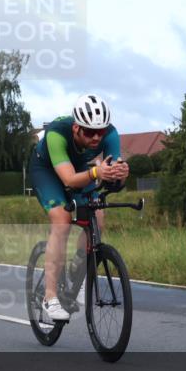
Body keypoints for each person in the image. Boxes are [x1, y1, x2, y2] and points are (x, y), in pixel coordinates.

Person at [27, 94, 130, 321]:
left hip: (79, 168)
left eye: (100, 132)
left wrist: (121, 174)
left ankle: (78, 268)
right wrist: (96, 172)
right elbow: (69, 180)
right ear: (76, 129)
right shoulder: (57, 133)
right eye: (89, 132)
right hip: (46, 170)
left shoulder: (109, 134)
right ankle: (50, 297)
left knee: (98, 216)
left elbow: (113, 173)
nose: (96, 138)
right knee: (62, 220)